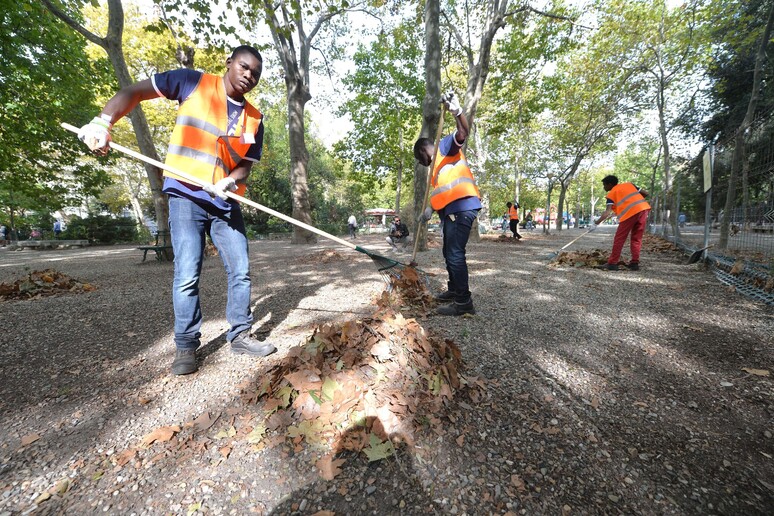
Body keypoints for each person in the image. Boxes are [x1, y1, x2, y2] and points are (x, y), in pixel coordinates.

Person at [77, 45, 276, 376]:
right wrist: (103, 121)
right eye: (243, 67)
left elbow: (245, 166)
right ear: (229, 64)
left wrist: (231, 179)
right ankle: (186, 346)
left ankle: (240, 335)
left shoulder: (255, 118)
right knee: (187, 272)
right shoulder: (190, 82)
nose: (248, 75)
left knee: (240, 269)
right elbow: (134, 92)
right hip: (185, 194)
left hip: (224, 201)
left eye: (255, 72)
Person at [413, 91, 481, 316]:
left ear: (423, 151)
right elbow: (442, 193)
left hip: (462, 208)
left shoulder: (443, 147)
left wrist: (457, 112)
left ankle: (463, 302)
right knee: (448, 251)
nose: (423, 164)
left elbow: (463, 132)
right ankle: (454, 290)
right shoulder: (437, 170)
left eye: (420, 160)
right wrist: (430, 209)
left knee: (454, 253)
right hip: (453, 210)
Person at [588, 175, 651, 271]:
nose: (604, 187)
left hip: (630, 213)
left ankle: (612, 263)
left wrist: (596, 223)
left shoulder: (611, 194)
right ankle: (634, 263)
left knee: (619, 238)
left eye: (604, 185)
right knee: (636, 238)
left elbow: (607, 212)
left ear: (610, 184)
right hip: (643, 210)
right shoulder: (629, 185)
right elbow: (646, 193)